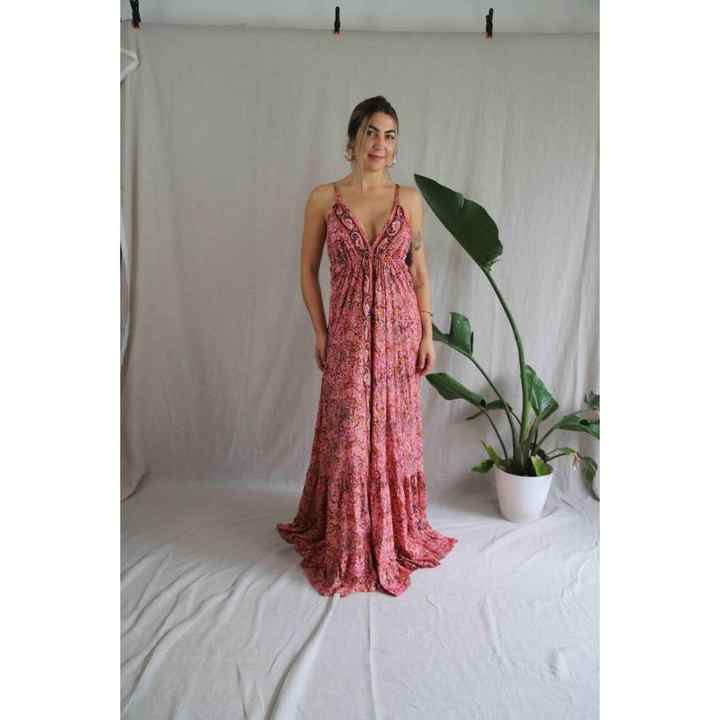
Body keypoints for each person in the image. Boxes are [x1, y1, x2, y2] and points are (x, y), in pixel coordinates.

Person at [277, 96, 458, 597]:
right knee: (350, 437)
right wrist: (321, 331)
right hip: (350, 337)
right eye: (373, 132)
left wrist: (426, 331)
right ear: (354, 137)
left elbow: (418, 273)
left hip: (400, 335)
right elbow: (306, 271)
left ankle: (394, 532)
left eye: (390, 135)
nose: (381, 144)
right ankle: (349, 536)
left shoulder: (409, 200)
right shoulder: (324, 198)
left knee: (395, 435)